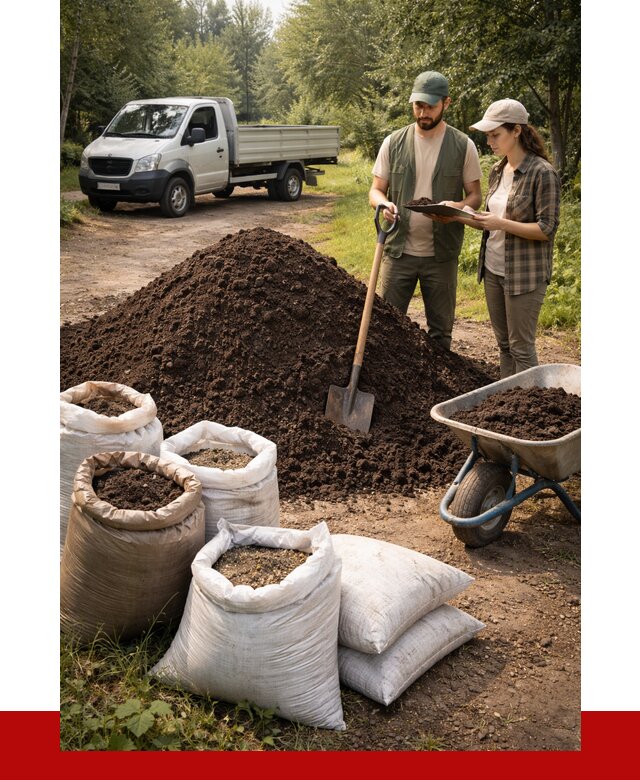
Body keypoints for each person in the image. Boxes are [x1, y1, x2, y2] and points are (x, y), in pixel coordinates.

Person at [369, 70, 482, 350]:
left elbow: (475, 196)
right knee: (387, 325)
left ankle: (439, 390)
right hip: (398, 251)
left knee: (441, 333)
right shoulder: (393, 143)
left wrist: (455, 208)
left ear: (447, 103)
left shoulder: (463, 145)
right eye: (418, 106)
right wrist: (383, 203)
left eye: (430, 106)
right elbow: (375, 190)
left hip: (441, 255)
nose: (423, 113)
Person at [467, 98, 561, 377]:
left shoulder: (543, 173)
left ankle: (533, 410)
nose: (490, 142)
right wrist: (457, 214)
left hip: (524, 275)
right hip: (493, 270)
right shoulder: (498, 170)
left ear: (517, 131)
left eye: (495, 135)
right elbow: (492, 222)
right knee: (504, 346)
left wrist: (502, 223)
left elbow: (546, 229)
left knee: (521, 348)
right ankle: (506, 404)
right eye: (488, 136)